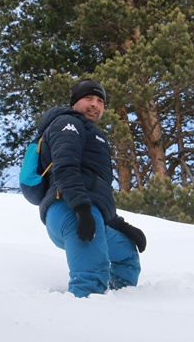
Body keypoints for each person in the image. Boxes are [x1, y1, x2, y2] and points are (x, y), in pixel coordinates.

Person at [35, 78, 145, 297]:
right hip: (68, 208)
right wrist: (81, 209)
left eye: (100, 100)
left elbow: (98, 189)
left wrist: (119, 224)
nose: (94, 104)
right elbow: (65, 167)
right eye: (88, 98)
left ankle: (121, 307)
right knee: (91, 279)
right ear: (75, 102)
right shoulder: (68, 123)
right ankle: (81, 321)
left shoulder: (93, 134)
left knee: (126, 255)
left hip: (89, 212)